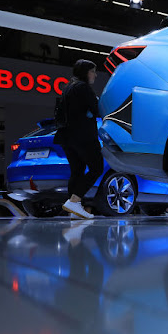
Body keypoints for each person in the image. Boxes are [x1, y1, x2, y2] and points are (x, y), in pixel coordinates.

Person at [54, 59, 103, 219]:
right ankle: (75, 201)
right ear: (85, 72)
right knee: (97, 168)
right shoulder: (83, 88)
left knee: (77, 170)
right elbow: (96, 110)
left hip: (66, 137)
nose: (95, 74)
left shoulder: (68, 88)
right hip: (83, 135)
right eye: (92, 71)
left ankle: (73, 209)